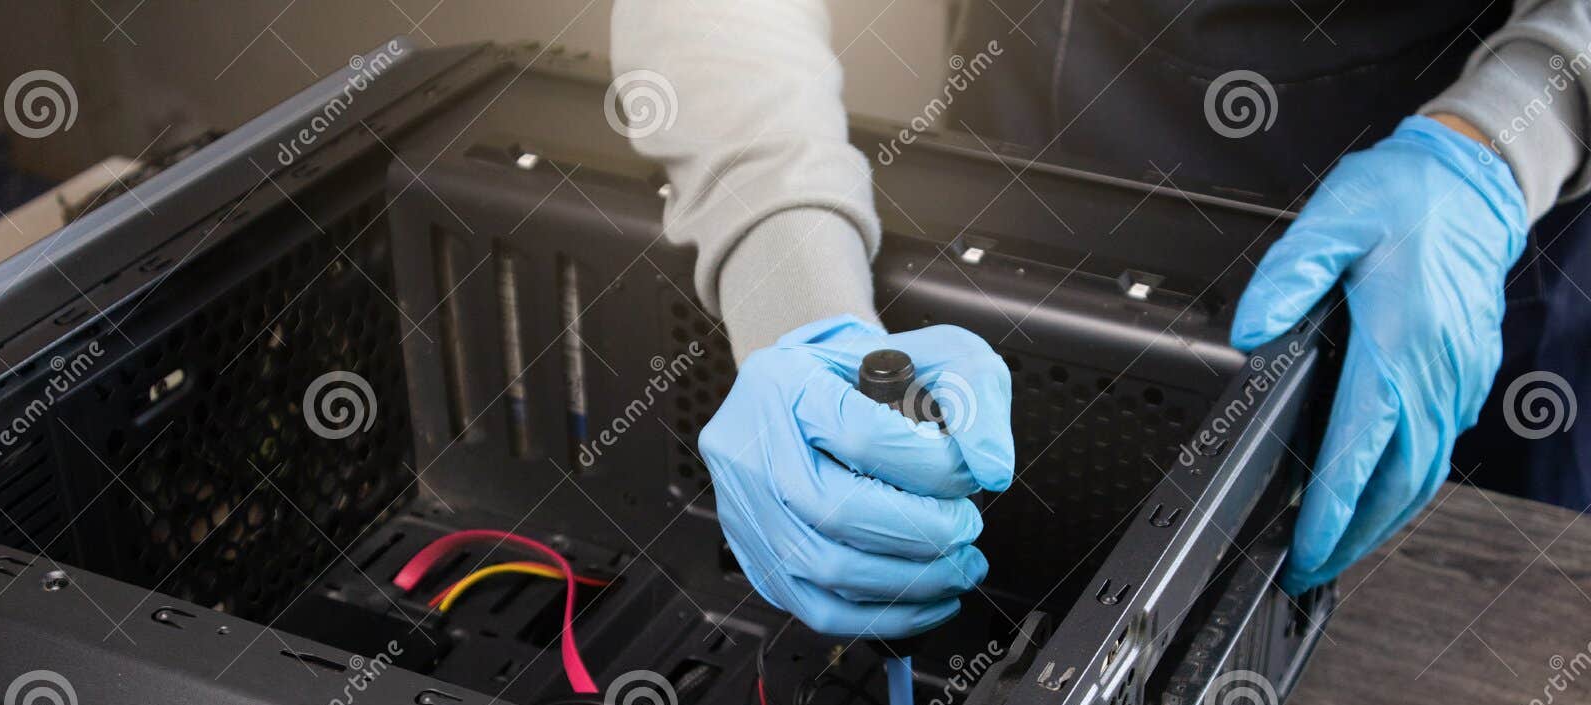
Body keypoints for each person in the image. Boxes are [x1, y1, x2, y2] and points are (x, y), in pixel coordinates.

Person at [611, 0, 1591, 637]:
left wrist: (1506, 135)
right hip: (1053, 149)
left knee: (1453, 642)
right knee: (1018, 560)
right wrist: (795, 301)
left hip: (1471, 240)